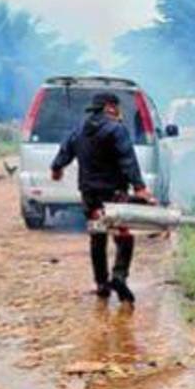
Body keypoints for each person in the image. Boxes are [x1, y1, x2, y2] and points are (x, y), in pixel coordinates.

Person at [50, 92, 153, 302]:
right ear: (110, 107)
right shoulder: (117, 129)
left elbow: (64, 152)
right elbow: (127, 159)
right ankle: (119, 276)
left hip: (89, 195)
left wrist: (56, 168)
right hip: (114, 195)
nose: (119, 112)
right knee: (123, 235)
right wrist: (140, 187)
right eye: (117, 107)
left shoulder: (79, 130)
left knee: (97, 236)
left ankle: (101, 284)